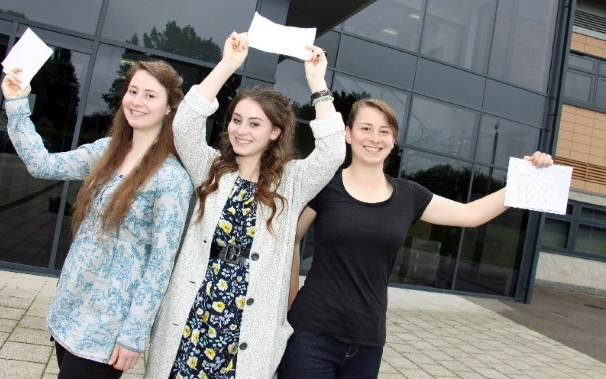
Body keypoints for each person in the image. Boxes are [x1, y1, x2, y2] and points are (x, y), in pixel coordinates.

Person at [279, 98, 554, 378]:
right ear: (348, 134)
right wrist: (290, 300)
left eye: (384, 131)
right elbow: (291, 238)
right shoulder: (326, 185)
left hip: (367, 341)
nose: (375, 138)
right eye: (366, 128)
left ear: (393, 140)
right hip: (312, 335)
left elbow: (471, 214)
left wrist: (525, 179)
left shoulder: (409, 196)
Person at [144, 32, 345, 379]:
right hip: (193, 313)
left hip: (246, 328)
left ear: (275, 133)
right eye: (237, 120)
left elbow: (332, 152)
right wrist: (228, 64)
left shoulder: (291, 182)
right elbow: (187, 124)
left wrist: (317, 82)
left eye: (255, 124)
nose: (241, 131)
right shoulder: (211, 169)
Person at [0, 61, 193, 379]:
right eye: (133, 91)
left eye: (150, 95)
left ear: (170, 107)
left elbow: (160, 265)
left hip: (108, 325)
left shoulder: (171, 179)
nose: (137, 101)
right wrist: (17, 103)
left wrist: (133, 335)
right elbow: (42, 165)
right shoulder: (108, 151)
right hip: (70, 307)